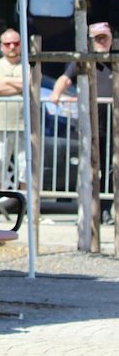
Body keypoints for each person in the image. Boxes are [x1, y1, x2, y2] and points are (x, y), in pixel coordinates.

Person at [49, 21, 115, 224]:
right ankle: (92, 212)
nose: (102, 42)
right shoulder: (84, 60)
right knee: (91, 168)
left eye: (105, 37)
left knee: (114, 168)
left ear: (111, 38)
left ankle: (109, 210)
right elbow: (65, 79)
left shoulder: (116, 57)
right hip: (92, 126)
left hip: (116, 126)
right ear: (91, 41)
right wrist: (55, 94)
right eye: (98, 38)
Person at [0, 29, 26, 190]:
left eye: (16, 43)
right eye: (8, 44)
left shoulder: (28, 65)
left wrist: (6, 81)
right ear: (1, 46)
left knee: (25, 166)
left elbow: (29, 85)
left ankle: (27, 206)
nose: (12, 47)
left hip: (24, 125)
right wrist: (18, 86)